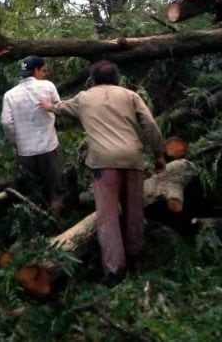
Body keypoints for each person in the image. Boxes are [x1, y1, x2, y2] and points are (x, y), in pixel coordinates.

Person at [39, 60, 165, 287]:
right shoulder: (130, 95)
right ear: (116, 78)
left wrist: (48, 105)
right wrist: (158, 154)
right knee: (134, 212)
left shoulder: (84, 98)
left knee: (108, 218)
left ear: (93, 79)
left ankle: (114, 271)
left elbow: (59, 108)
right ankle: (136, 261)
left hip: (103, 163)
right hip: (133, 159)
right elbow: (151, 124)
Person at [1, 55, 65, 216]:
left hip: (25, 151)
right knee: (55, 187)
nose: (44, 74)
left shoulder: (10, 95)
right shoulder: (47, 86)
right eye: (42, 70)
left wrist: (15, 143)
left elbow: (7, 123)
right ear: (36, 70)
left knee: (35, 189)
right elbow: (58, 108)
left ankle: (38, 221)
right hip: (48, 146)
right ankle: (58, 220)